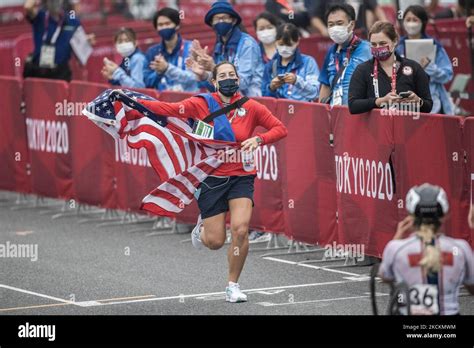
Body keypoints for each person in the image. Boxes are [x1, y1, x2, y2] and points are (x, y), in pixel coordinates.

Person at [125, 61, 288, 302]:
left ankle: (233, 285)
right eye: (222, 75)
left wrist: (259, 140)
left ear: (239, 80)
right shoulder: (201, 104)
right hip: (212, 177)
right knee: (215, 242)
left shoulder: (251, 107)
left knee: (241, 230)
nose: (228, 79)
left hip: (242, 176)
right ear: (214, 82)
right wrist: (133, 102)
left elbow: (280, 128)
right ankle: (201, 231)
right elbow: (168, 109)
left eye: (232, 74)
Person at [379, 183, 474, 315]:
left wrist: (397, 237)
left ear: (411, 216)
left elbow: (385, 276)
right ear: (444, 215)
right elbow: (472, 286)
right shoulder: (461, 248)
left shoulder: (396, 248)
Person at [348, 21, 433, 114]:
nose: (378, 47)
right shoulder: (363, 70)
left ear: (395, 41)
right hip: (376, 127)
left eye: (382, 43)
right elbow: (353, 105)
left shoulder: (414, 67)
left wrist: (419, 102)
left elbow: (428, 106)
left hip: (407, 126)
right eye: (373, 44)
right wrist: (379, 101)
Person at [186, 1, 264, 97]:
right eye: (216, 19)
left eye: (224, 18)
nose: (220, 22)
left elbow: (243, 83)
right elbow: (220, 85)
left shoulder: (247, 44)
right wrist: (203, 75)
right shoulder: (219, 46)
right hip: (229, 103)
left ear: (234, 21)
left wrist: (214, 68)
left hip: (252, 103)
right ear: (212, 23)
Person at [397, 5, 454, 115]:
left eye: (415, 20)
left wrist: (431, 68)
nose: (411, 23)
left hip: (433, 103)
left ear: (423, 22)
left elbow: (447, 75)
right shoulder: (398, 47)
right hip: (405, 104)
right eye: (408, 20)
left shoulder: (434, 45)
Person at [318, 3, 372, 106]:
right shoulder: (331, 52)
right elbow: (325, 86)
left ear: (351, 25)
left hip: (359, 113)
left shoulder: (367, 49)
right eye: (331, 24)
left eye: (339, 23)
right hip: (336, 115)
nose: (335, 28)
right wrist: (322, 113)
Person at [23, 0, 82, 81]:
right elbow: (28, 6)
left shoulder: (72, 21)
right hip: (39, 72)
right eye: (52, 1)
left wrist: (87, 41)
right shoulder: (40, 16)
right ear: (46, 2)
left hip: (61, 73)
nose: (55, 3)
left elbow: (81, 43)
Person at [143, 7, 198, 92]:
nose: (164, 27)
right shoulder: (152, 52)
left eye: (167, 23)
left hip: (188, 101)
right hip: (162, 102)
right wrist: (158, 73)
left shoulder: (191, 48)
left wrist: (167, 68)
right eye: (160, 25)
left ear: (177, 25)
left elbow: (196, 78)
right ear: (156, 28)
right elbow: (146, 83)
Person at [262, 23, 320, 102]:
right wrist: (271, 88)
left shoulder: (308, 62)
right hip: (278, 112)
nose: (285, 48)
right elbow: (264, 99)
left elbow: (315, 93)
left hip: (303, 111)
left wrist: (297, 81)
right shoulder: (270, 66)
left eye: (289, 44)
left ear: (297, 42)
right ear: (275, 42)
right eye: (281, 44)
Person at [306, 0, 387, 36]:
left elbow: (376, 8)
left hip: (361, 34)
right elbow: (314, 17)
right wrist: (324, 30)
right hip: (334, 38)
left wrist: (386, 26)